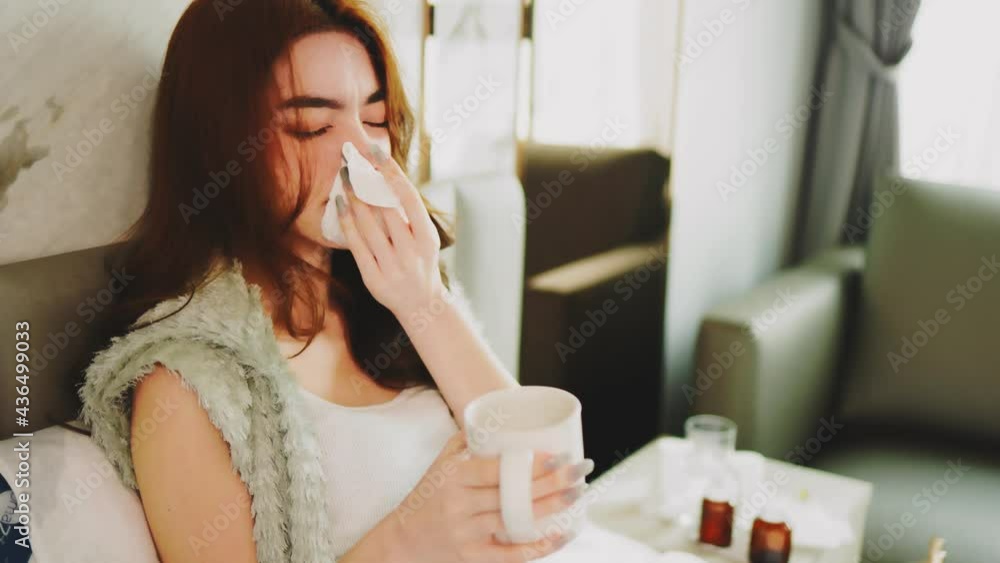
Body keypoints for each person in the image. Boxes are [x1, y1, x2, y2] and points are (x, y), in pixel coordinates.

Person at [78, 1, 592, 562]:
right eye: (312, 126)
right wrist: (407, 540)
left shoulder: (398, 305)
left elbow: (544, 478)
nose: (362, 154)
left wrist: (425, 299)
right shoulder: (185, 385)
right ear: (221, 147)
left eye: (374, 120)